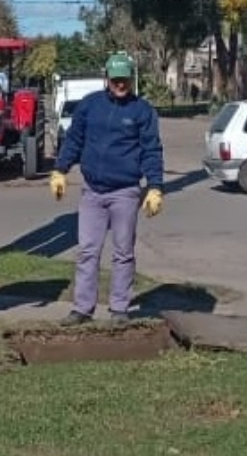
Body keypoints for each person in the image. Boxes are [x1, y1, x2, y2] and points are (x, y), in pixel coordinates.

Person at [49, 52, 165, 326]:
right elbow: (74, 141)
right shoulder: (90, 106)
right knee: (87, 250)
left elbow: (151, 150)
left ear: (131, 79)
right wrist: (60, 170)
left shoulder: (142, 111)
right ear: (106, 78)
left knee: (123, 251)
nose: (120, 85)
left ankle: (119, 309)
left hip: (125, 191)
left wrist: (155, 187)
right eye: (115, 80)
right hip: (92, 190)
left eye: (124, 79)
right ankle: (82, 309)